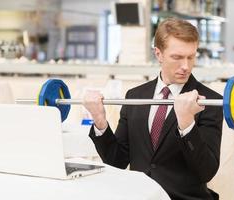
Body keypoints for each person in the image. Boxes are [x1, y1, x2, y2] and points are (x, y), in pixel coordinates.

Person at [83, 18, 223, 200]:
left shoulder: (210, 101)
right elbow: (116, 161)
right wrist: (100, 121)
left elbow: (206, 172)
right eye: (177, 57)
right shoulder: (135, 96)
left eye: (191, 57)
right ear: (158, 54)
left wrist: (187, 124)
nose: (186, 66)